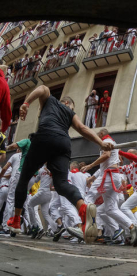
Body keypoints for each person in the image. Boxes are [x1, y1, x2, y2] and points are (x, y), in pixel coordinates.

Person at [6, 85, 113, 244]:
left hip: (44, 136)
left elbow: (42, 87)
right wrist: (100, 143)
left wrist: (26, 104)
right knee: (61, 183)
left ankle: (15, 220)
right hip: (62, 143)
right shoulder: (70, 113)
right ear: (69, 105)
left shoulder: (50, 100)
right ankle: (83, 208)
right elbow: (83, 128)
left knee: (24, 177)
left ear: (62, 102)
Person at [78, 128, 137, 245]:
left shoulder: (107, 141)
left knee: (89, 197)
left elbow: (106, 155)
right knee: (110, 209)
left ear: (101, 134)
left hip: (108, 176)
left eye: (97, 135)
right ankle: (131, 226)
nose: (95, 138)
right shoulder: (112, 143)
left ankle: (82, 226)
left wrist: (90, 165)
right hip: (113, 176)